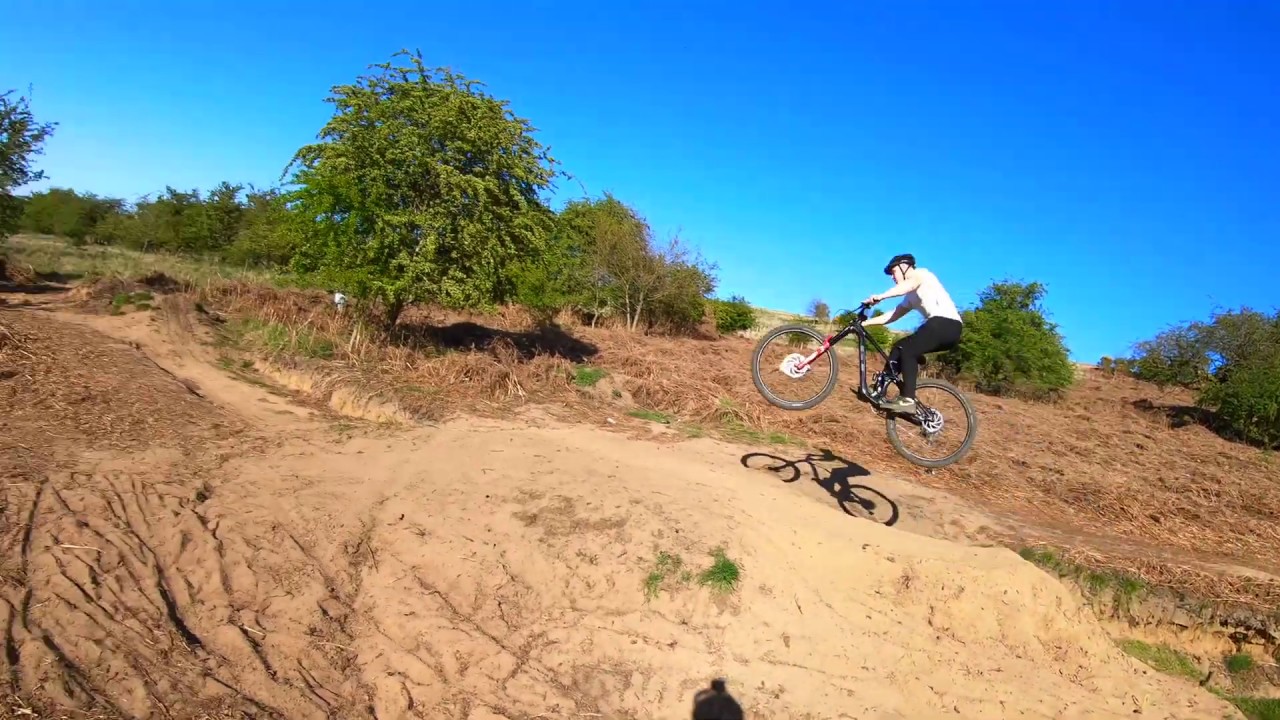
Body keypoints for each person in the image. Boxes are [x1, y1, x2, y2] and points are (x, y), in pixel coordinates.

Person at [859, 253, 963, 412]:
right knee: (898, 347)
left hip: (946, 324)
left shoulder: (921, 275)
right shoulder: (911, 296)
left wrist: (880, 297)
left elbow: (906, 286)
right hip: (941, 328)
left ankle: (908, 399)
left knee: (907, 350)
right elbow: (893, 315)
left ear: (904, 266)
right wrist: (866, 323)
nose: (892, 277)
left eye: (893, 272)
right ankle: (880, 388)